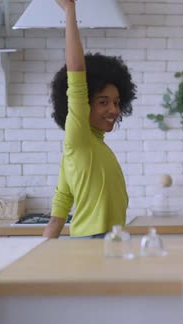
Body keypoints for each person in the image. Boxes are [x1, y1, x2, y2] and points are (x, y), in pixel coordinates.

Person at [43, 0, 137, 238]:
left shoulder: (82, 150)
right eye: (103, 102)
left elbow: (62, 200)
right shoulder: (79, 139)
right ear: (83, 105)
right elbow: (76, 73)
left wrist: (44, 246)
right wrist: (70, 11)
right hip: (93, 240)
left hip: (108, 238)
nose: (114, 110)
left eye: (116, 102)